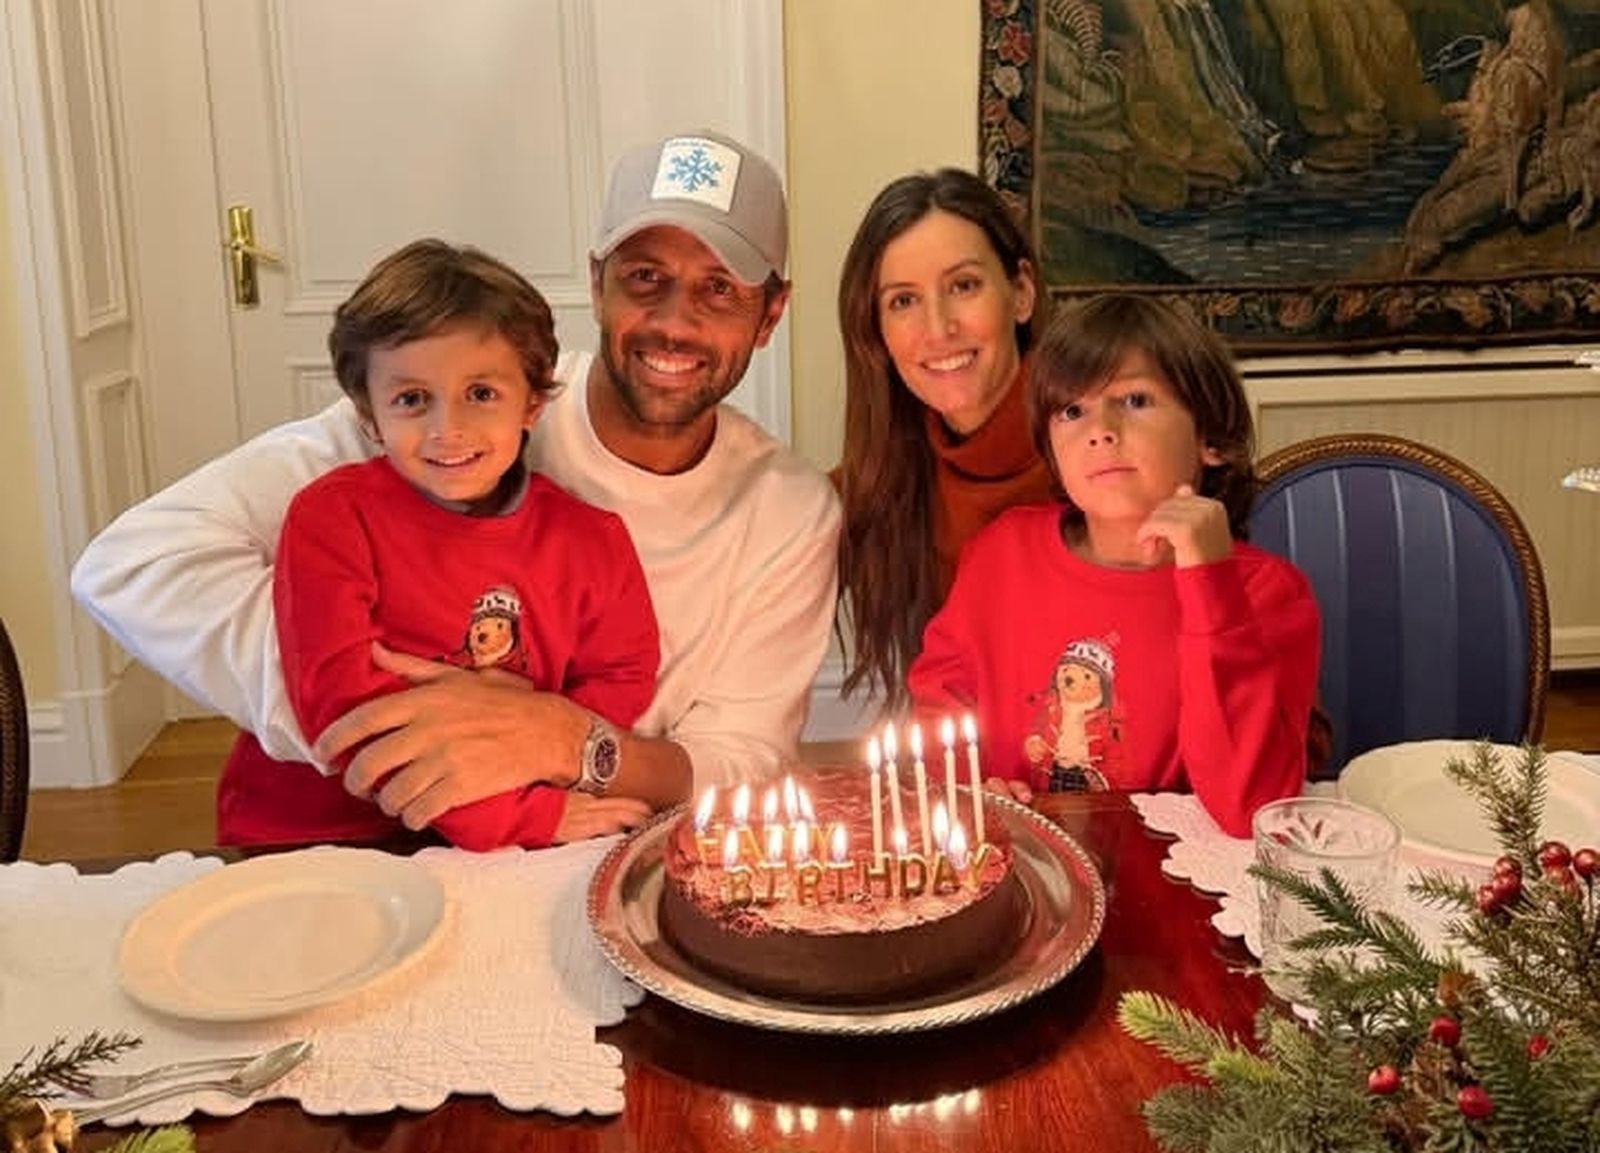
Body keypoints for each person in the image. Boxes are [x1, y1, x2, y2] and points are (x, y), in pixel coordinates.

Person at [70, 130, 840, 838]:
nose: (674, 321)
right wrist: (396, 714)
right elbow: (134, 565)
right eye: (645, 277)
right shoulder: (466, 406)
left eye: (720, 289)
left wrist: (562, 740)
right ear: (597, 282)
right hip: (347, 840)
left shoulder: (789, 512)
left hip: (585, 838)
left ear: (771, 313)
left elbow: (743, 759)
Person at [236, 239, 660, 849]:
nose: (448, 429)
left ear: (532, 403)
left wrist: (537, 749)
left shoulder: (592, 540)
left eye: (481, 394)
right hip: (323, 832)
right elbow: (343, 708)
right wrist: (522, 817)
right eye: (412, 400)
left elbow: (621, 675)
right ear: (368, 416)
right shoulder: (331, 519)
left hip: (521, 816)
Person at [906, 293, 1320, 837]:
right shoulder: (999, 555)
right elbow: (940, 706)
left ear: (1211, 440)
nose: (1100, 429)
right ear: (1051, 449)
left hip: (1175, 893)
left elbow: (1250, 807)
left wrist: (1208, 584)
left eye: (1135, 399)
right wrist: (969, 787)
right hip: (1024, 872)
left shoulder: (1266, 593)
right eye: (1072, 410)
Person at [834, 169, 1054, 708]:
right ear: (877, 334)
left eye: (963, 286)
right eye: (903, 301)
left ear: (1020, 294)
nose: (938, 328)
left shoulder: (1106, 446)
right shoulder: (884, 473)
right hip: (978, 777)